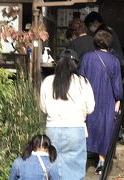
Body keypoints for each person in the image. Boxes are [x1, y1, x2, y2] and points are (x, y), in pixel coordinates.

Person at [40, 49, 95, 180]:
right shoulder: (83, 82)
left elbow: (43, 107)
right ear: (75, 64)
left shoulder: (48, 81)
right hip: (76, 129)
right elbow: (91, 108)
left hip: (53, 129)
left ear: (58, 63)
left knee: (53, 168)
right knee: (75, 170)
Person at [79, 26, 123, 175]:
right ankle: (102, 161)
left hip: (88, 98)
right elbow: (117, 86)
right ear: (109, 44)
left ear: (96, 42)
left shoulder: (86, 58)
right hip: (107, 98)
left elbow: (80, 80)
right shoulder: (114, 61)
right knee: (105, 129)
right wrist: (118, 100)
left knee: (87, 126)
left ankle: (81, 162)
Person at [84, 11, 124, 78]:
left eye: (89, 25)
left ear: (95, 22)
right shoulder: (109, 30)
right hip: (119, 63)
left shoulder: (102, 33)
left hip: (113, 65)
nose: (90, 29)